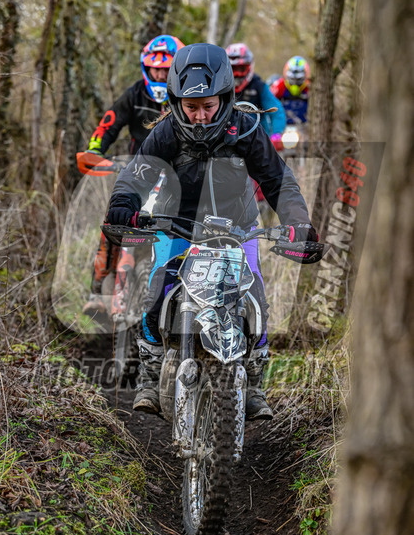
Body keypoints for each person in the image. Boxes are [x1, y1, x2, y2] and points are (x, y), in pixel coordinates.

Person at [104, 43, 319, 420]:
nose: (200, 116)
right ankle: (151, 377)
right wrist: (123, 204)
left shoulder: (246, 128)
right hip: (177, 224)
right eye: (191, 107)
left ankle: (254, 384)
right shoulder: (167, 131)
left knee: (255, 294)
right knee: (158, 286)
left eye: (208, 106)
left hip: (238, 226)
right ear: (177, 102)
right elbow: (137, 175)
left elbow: (279, 181)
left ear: (225, 98)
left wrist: (297, 221)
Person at [82, 35, 185, 317]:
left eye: (166, 70)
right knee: (113, 220)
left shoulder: (188, 99)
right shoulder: (136, 94)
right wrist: (94, 150)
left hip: (177, 177)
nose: (160, 75)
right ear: (146, 68)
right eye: (155, 69)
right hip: (137, 174)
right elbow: (109, 124)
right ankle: (97, 290)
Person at [225, 42, 286, 139]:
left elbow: (276, 111)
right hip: (227, 138)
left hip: (257, 138)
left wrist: (277, 134)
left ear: (249, 66)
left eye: (241, 69)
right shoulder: (220, 86)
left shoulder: (258, 86)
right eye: (233, 69)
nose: (236, 74)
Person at [271, 55, 310, 126]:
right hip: (282, 125)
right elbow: (269, 102)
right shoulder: (279, 85)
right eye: (293, 80)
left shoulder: (310, 87)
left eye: (298, 80)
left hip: (304, 125)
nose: (295, 82)